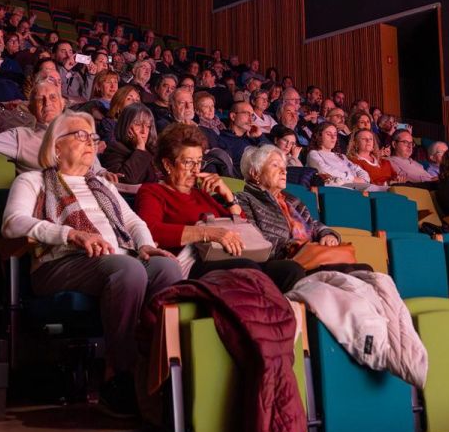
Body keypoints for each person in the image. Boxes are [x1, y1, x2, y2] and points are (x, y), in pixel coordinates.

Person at [1, 110, 178, 415]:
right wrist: (70, 234)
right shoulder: (33, 180)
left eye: (93, 138)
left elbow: (133, 222)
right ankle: (118, 375)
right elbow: (12, 224)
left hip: (114, 258)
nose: (90, 142)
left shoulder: (102, 185)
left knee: (167, 268)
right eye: (80, 135)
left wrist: (146, 245)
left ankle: (157, 368)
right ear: (56, 146)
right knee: (128, 269)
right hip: (59, 264)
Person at [135, 124, 305, 291]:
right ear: (167, 164)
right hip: (191, 264)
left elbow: (246, 228)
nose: (196, 170)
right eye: (188, 163)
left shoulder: (201, 194)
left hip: (227, 256)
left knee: (290, 270)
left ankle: (280, 314)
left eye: (199, 162)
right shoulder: (153, 191)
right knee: (246, 267)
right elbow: (151, 230)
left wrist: (228, 197)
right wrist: (207, 234)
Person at [235, 144, 367, 279]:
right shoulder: (244, 199)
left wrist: (327, 234)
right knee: (343, 272)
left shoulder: (292, 201)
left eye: (284, 167)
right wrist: (293, 246)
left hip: (309, 255)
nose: (284, 171)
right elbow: (253, 239)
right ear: (255, 173)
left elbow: (313, 224)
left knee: (363, 269)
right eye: (275, 165)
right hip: (281, 261)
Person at [101, 103, 160, 185]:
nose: (144, 131)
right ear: (126, 125)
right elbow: (126, 180)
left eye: (148, 126)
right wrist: (140, 149)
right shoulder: (115, 149)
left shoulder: (151, 149)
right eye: (138, 124)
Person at [306, 122, 370, 188]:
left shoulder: (341, 156)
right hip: (336, 188)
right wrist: (352, 178)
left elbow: (357, 169)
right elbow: (323, 169)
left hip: (355, 185)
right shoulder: (314, 154)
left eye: (335, 134)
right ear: (318, 136)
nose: (333, 137)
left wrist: (364, 179)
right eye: (328, 134)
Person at [216, 100, 265, 170]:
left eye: (252, 115)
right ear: (233, 116)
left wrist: (260, 136)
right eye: (247, 114)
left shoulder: (254, 138)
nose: (251, 119)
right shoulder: (221, 139)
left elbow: (273, 156)